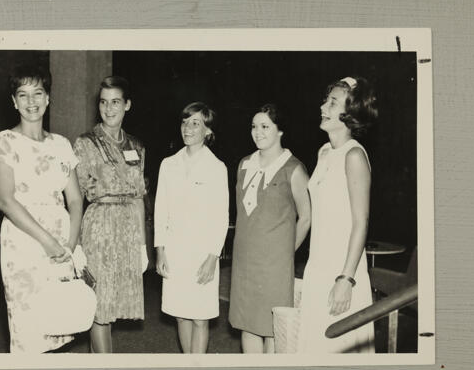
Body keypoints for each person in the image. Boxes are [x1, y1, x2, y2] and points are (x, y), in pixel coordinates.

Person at [0, 65, 83, 353]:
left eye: (38, 93)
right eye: (23, 95)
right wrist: (48, 242)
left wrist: (71, 242)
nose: (31, 102)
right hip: (24, 241)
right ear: (14, 102)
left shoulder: (62, 144)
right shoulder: (5, 141)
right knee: (28, 332)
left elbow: (75, 199)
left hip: (62, 241)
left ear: (48, 98)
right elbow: (5, 200)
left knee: (58, 325)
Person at [297, 76, 378, 353]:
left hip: (342, 271)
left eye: (332, 103)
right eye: (325, 100)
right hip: (317, 266)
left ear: (350, 113)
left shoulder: (354, 156)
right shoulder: (323, 152)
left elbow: (361, 223)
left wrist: (346, 280)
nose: (323, 107)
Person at [229, 104, 311, 353]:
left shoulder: (293, 168)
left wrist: (286, 252)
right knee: (248, 324)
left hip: (275, 265)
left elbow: (306, 217)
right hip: (244, 261)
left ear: (280, 130)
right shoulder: (244, 164)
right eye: (254, 126)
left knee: (273, 329)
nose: (258, 132)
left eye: (265, 126)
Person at [73, 75, 147, 353]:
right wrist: (76, 243)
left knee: (110, 305)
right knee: (99, 305)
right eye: (104, 102)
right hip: (98, 228)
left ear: (127, 105)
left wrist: (142, 246)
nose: (109, 108)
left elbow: (139, 197)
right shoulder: (85, 143)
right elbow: (75, 198)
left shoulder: (136, 147)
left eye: (115, 102)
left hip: (127, 231)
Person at [154, 102, 229, 353]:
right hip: (174, 251)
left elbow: (221, 216)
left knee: (199, 316)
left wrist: (212, 257)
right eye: (185, 122)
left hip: (202, 254)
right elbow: (160, 209)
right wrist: (160, 250)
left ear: (208, 131)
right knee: (180, 315)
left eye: (195, 123)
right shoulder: (168, 164)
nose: (187, 128)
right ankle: (187, 366)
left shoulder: (217, 168)